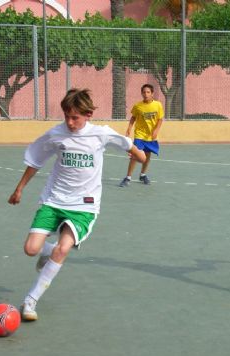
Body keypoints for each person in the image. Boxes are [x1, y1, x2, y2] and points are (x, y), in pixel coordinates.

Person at [8, 88, 146, 321]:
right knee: (31, 249)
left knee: (64, 249)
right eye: (67, 117)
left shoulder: (101, 134)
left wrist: (138, 155)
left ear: (88, 114)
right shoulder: (56, 135)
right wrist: (19, 188)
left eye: (76, 117)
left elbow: (131, 148)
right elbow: (35, 161)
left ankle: (30, 301)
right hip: (54, 199)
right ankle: (48, 250)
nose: (70, 122)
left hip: (84, 204)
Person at [119, 84, 164, 187]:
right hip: (139, 135)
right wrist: (129, 129)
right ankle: (127, 178)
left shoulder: (158, 105)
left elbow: (160, 119)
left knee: (147, 156)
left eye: (148, 92)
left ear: (152, 94)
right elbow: (133, 118)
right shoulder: (138, 106)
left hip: (151, 136)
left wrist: (156, 130)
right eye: (144, 92)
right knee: (135, 155)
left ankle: (143, 175)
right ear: (141, 93)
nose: (146, 94)